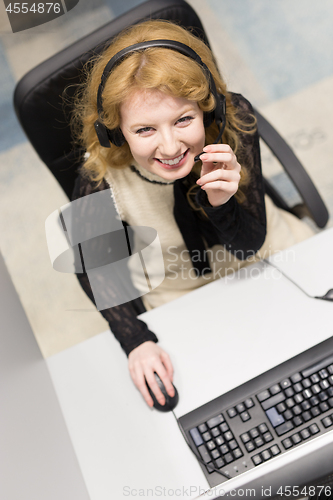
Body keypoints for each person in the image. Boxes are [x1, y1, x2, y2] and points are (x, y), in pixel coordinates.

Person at [71, 20, 313, 409]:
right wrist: (135, 340)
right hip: (179, 294)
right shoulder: (98, 177)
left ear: (208, 107)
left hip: (267, 256)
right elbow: (91, 267)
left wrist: (221, 204)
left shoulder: (233, 123)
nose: (170, 147)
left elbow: (248, 243)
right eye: (145, 129)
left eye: (184, 120)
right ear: (114, 133)